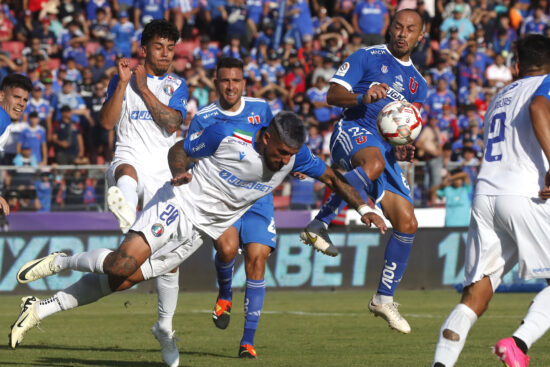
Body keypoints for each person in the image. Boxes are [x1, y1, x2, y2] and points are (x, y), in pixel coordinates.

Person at [9, 111, 387, 358]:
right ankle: (61, 260)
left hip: (200, 232)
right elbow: (180, 149)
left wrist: (365, 208)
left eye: (291, 156)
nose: (285, 162)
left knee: (120, 280)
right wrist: (180, 171)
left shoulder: (296, 157)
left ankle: (41, 307)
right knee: (124, 261)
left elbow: (335, 179)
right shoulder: (228, 135)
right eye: (281, 153)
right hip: (177, 203)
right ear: (266, 136)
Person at [300, 9, 427, 334]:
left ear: (420, 36)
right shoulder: (366, 57)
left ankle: (383, 299)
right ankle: (319, 223)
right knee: (374, 163)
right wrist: (361, 95)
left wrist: (403, 145)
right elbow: (331, 95)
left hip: (383, 151)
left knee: (408, 222)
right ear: (389, 29)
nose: (402, 33)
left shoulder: (419, 84)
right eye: (398, 26)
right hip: (352, 131)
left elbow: (402, 126)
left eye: (410, 29)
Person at [432, 34, 550, 367]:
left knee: (474, 297)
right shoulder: (546, 85)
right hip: (526, 194)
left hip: (485, 195)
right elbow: (540, 107)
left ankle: (440, 364)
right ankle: (519, 344)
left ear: (515, 66)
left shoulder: (500, 96)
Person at [99, 19, 188, 367]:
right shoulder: (119, 79)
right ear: (144, 49)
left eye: (170, 47)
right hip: (130, 156)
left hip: (163, 170)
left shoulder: (176, 85)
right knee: (125, 172)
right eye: (158, 47)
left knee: (171, 259)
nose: (165, 53)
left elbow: (172, 123)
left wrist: (143, 88)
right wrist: (123, 85)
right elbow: (107, 123)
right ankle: (125, 207)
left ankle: (165, 327)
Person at [186, 57, 274, 358]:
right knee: (225, 249)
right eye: (225, 80)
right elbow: (190, 152)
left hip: (258, 197)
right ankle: (225, 293)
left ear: (244, 84)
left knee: (257, 259)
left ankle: (247, 342)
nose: (231, 86)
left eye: (236, 80)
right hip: (223, 198)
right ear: (216, 83)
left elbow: (275, 143)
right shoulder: (204, 117)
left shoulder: (261, 109)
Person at [0, 74, 33, 150]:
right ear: (1, 96)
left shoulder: (4, 119)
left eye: (25, 100)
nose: (21, 103)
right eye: (17, 97)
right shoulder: (2, 119)